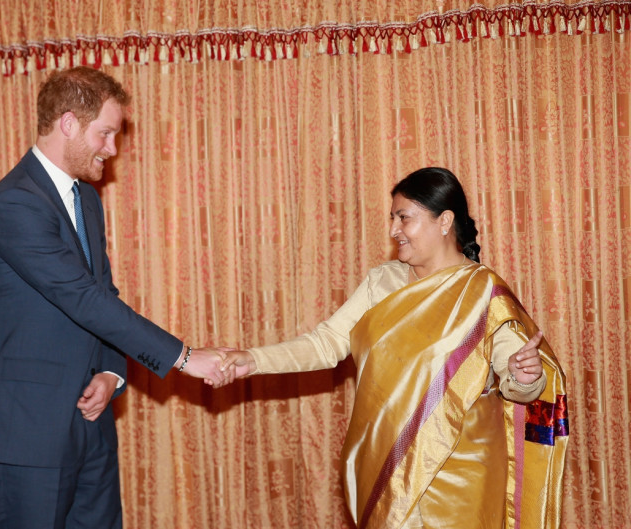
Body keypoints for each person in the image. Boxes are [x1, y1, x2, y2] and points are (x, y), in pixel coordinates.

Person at [220, 167, 569, 529]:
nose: (393, 230)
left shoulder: (481, 291)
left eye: (404, 218)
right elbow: (327, 343)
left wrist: (525, 377)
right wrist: (251, 359)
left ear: (445, 221)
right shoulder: (381, 282)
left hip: (461, 470)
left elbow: (518, 382)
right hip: (388, 457)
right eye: (392, 218)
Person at [0, 66, 232, 529]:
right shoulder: (16, 203)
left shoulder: (85, 198)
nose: (112, 149)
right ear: (69, 123)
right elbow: (81, 300)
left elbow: (103, 294)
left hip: (92, 420)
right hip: (31, 431)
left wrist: (113, 371)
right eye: (106, 134)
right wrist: (184, 357)